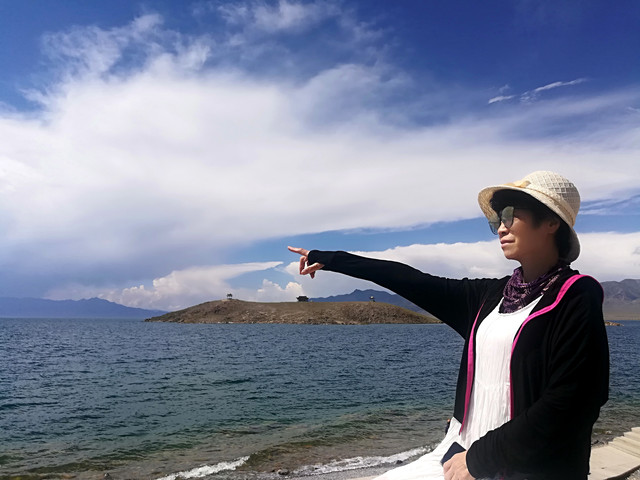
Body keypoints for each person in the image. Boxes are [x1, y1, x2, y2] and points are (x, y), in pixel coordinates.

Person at [288, 171, 609, 480]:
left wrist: (480, 460)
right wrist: (332, 259)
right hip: (460, 455)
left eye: (511, 215)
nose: (501, 228)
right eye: (497, 220)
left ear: (551, 222)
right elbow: (410, 280)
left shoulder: (575, 295)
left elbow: (574, 403)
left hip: (524, 468)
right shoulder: (490, 296)